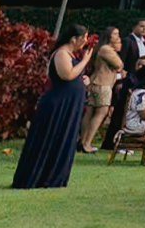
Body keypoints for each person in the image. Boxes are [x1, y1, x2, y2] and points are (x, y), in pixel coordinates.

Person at [12, 26, 93, 189]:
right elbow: (67, 74)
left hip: (70, 106)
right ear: (73, 39)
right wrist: (84, 61)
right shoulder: (62, 53)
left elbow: (73, 76)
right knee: (50, 137)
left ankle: (55, 176)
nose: (85, 42)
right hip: (58, 105)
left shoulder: (71, 55)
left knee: (63, 138)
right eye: (83, 38)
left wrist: (83, 80)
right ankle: (39, 177)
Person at [78, 26, 124, 152]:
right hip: (103, 84)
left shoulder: (102, 48)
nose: (118, 37)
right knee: (101, 113)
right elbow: (119, 64)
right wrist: (117, 52)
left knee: (91, 111)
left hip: (96, 82)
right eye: (115, 34)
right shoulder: (106, 49)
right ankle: (87, 142)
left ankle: (83, 141)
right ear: (108, 36)